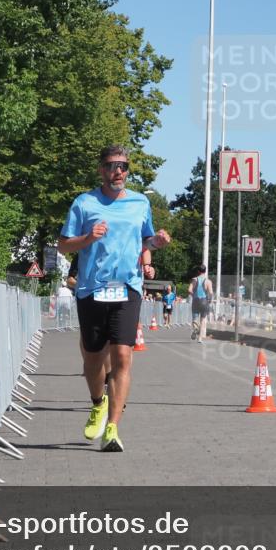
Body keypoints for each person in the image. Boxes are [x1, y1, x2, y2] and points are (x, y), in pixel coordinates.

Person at [58, 145, 171, 452]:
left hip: (128, 288)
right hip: (92, 289)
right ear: (101, 170)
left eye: (122, 166)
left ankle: (112, 428)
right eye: (111, 166)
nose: (117, 171)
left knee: (122, 356)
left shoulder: (140, 202)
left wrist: (155, 244)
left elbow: (145, 239)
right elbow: (64, 245)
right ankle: (98, 403)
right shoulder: (84, 203)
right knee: (93, 359)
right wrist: (88, 238)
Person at [189, 264, 214, 342]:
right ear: (205, 271)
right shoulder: (208, 281)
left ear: (198, 271)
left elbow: (189, 290)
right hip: (204, 301)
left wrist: (194, 295)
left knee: (195, 318)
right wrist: (209, 300)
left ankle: (195, 328)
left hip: (196, 301)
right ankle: (200, 338)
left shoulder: (194, 280)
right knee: (203, 320)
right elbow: (211, 292)